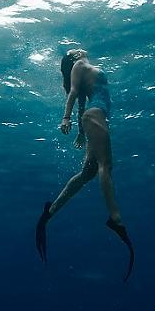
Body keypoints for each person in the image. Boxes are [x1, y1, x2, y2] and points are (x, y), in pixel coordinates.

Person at [35, 49, 134, 282]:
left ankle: (49, 213)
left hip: (92, 117)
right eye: (73, 52)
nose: (77, 49)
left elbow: (80, 103)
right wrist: (66, 118)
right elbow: (73, 95)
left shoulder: (82, 69)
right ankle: (115, 218)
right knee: (106, 166)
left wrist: (80, 130)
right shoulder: (79, 64)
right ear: (74, 58)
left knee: (87, 173)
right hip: (95, 116)